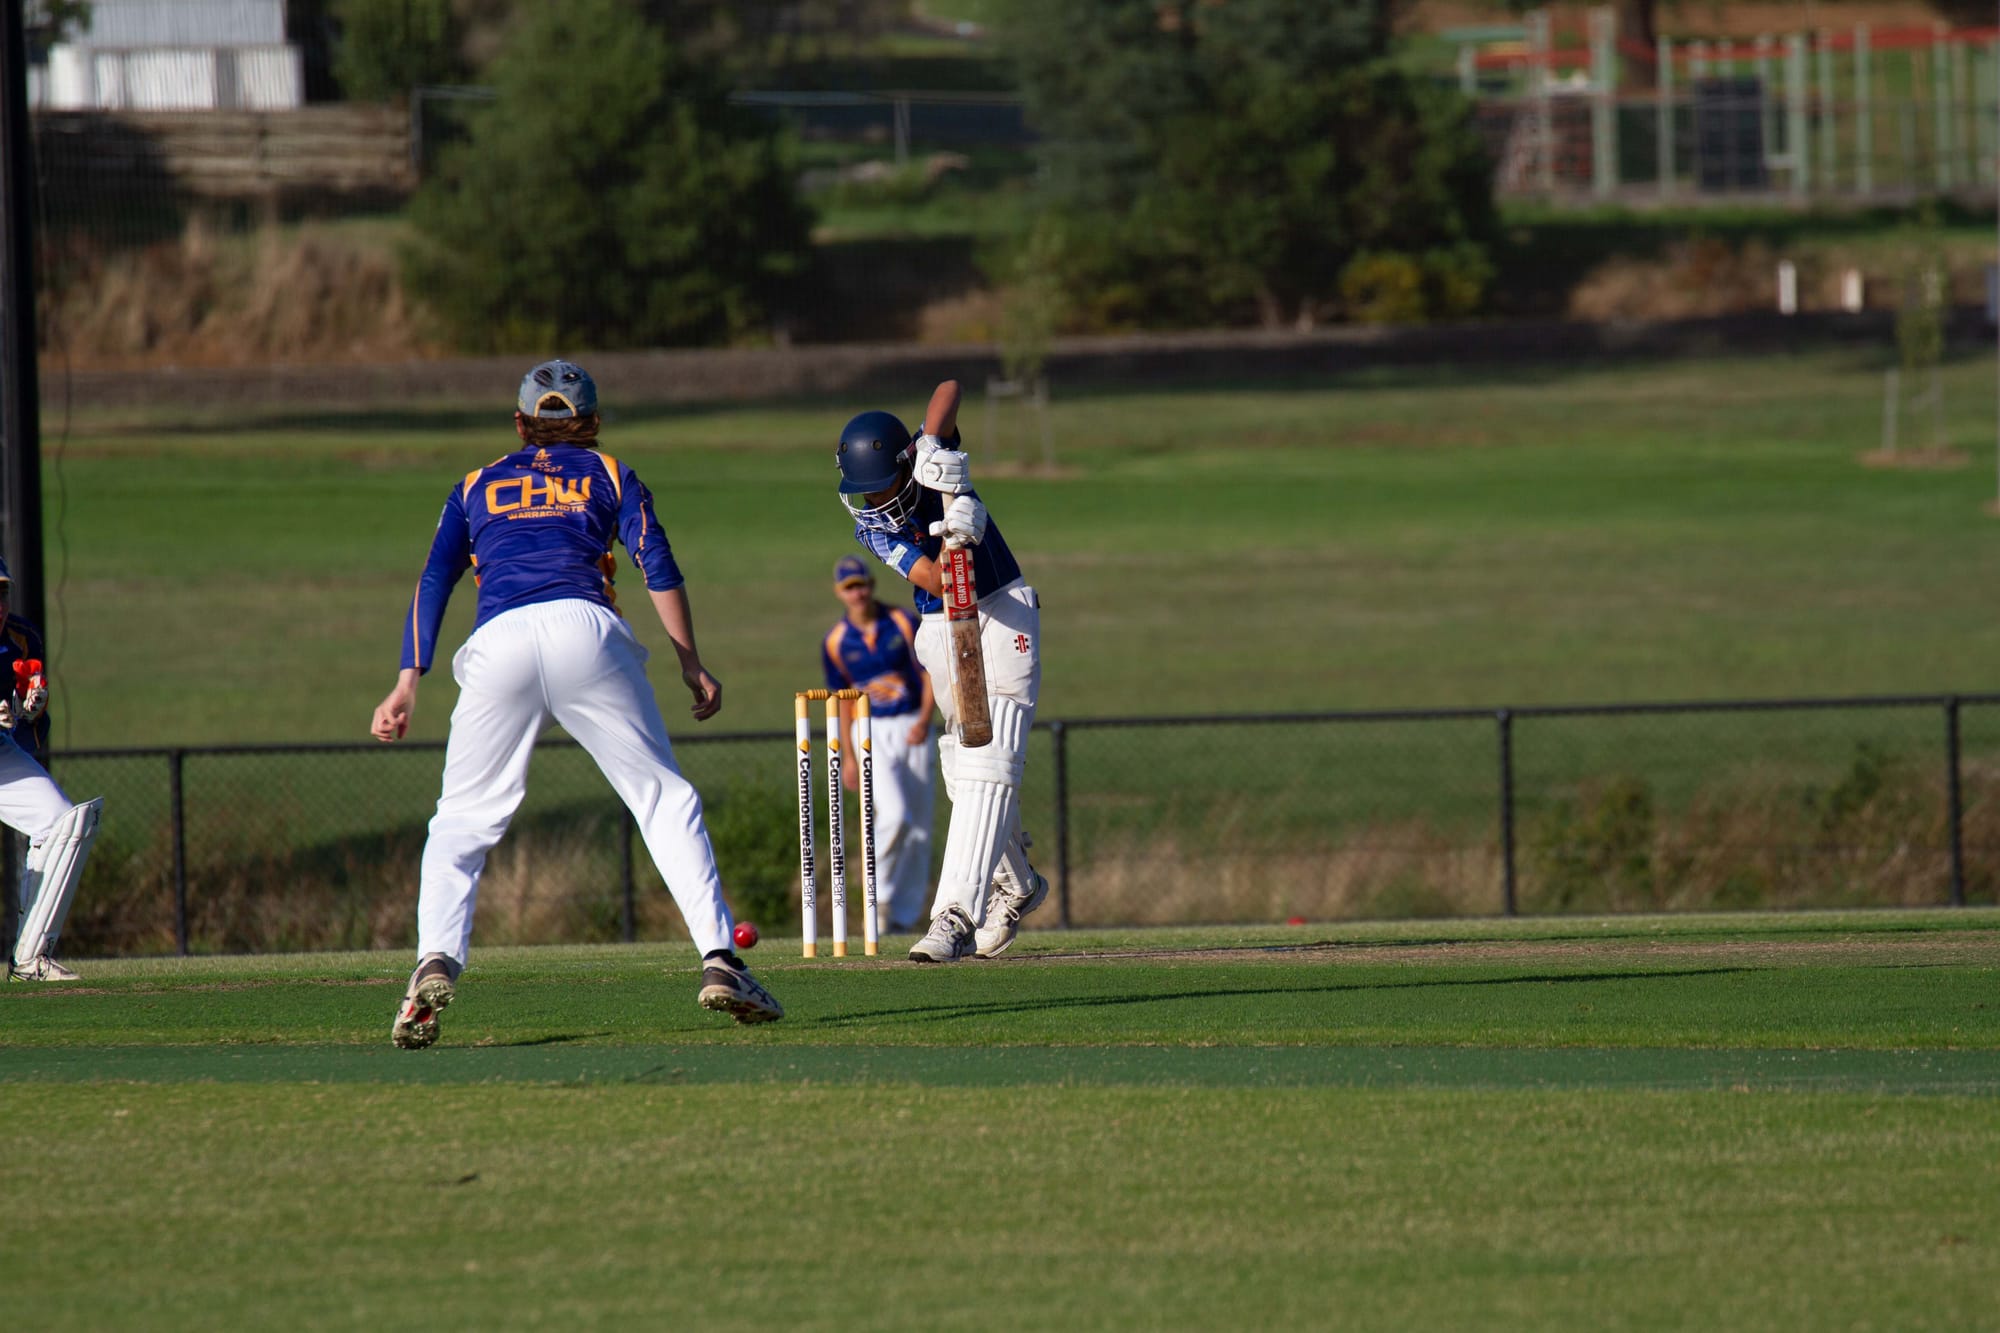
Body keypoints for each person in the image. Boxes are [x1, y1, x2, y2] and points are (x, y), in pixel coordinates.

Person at [370, 359, 781, 1047]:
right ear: (590, 421)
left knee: (462, 821)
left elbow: (436, 574)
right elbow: (657, 561)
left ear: (520, 422)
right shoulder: (612, 473)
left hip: (498, 642)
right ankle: (720, 958)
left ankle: (434, 958)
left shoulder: (474, 484)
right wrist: (690, 662)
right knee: (663, 799)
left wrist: (409, 678)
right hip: (585, 631)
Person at [833, 380, 1049, 962]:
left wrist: (934, 448)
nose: (874, 501)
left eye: (880, 486)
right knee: (962, 770)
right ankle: (1020, 884)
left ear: (903, 469)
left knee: (990, 761)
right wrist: (956, 537)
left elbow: (950, 389)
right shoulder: (872, 528)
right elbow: (933, 580)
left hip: (1001, 610)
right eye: (864, 492)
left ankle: (953, 914)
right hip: (940, 625)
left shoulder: (930, 466)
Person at [820, 553, 935, 935]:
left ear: (871, 585)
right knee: (894, 814)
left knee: (919, 828)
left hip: (911, 726)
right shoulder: (837, 641)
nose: (858, 594)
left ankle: (904, 916)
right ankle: (879, 898)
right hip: (868, 733)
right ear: (840, 593)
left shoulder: (901, 621)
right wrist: (847, 757)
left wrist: (924, 718)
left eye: (863, 585)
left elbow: (930, 670)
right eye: (850, 588)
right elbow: (841, 703)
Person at [0, 558, 103, 982]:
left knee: (62, 822)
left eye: (3, 592)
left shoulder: (22, 639)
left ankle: (30, 959)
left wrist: (28, 713)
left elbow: (30, 734)